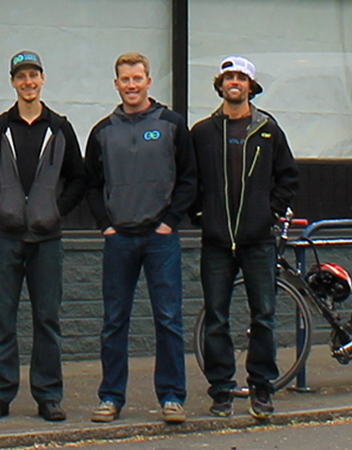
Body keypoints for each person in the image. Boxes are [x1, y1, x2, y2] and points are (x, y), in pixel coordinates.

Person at [0, 50, 86, 422]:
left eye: (33, 75)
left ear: (42, 79)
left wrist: (57, 210)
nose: (28, 82)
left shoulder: (61, 127)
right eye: (21, 77)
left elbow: (80, 177)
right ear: (13, 83)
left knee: (47, 320)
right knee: (1, 318)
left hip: (47, 238)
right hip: (4, 236)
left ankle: (49, 395)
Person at [84, 52, 197, 424]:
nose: (131, 85)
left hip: (160, 238)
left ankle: (171, 397)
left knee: (168, 319)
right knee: (115, 320)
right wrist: (106, 224)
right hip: (120, 239)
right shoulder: (102, 131)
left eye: (138, 78)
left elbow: (188, 179)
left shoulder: (171, 124)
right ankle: (111, 397)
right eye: (125, 79)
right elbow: (92, 184)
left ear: (149, 81)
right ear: (116, 84)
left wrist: (169, 221)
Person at [189, 56, 299, 419]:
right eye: (228, 77)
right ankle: (221, 391)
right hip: (217, 241)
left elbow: (288, 177)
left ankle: (261, 389)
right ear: (220, 85)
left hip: (257, 241)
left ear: (251, 86)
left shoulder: (268, 129)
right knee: (217, 318)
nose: (234, 82)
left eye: (241, 77)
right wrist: (200, 216)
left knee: (263, 316)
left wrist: (267, 213)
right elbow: (191, 182)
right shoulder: (203, 132)